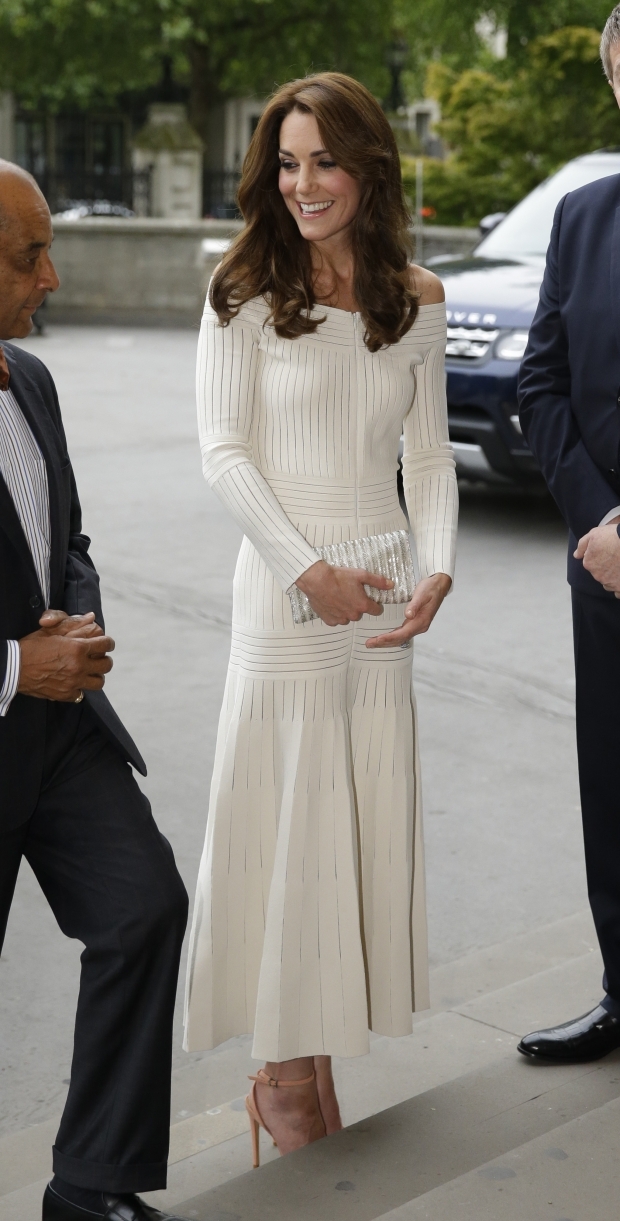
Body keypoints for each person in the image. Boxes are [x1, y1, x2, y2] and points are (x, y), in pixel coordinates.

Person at [183, 72, 458, 1163]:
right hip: (284, 587)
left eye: (324, 162)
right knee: (286, 825)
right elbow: (224, 453)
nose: (303, 184)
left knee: (347, 827)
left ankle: (310, 1060)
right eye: (287, 163)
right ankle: (283, 1077)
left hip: (380, 597)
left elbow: (427, 460)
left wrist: (436, 567)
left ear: (368, 167)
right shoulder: (242, 289)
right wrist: (307, 571)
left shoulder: (416, 298)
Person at [0, 161, 190, 1221]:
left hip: (65, 732)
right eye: (29, 257)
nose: (52, 277)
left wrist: (75, 624)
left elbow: (66, 538)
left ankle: (90, 1188)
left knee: (143, 907)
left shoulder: (31, 379)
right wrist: (12, 666)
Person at [516, 5, 620, 1064]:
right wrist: (602, 522)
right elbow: (540, 384)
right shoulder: (581, 216)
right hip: (606, 566)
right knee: (612, 790)